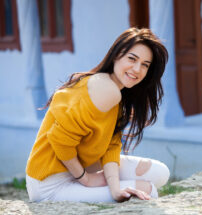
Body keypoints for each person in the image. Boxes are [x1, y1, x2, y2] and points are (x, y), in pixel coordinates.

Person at [25, 28, 170, 203]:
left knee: (161, 173)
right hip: (50, 183)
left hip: (81, 167)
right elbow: (59, 139)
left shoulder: (117, 94)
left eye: (145, 64)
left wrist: (115, 188)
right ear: (117, 55)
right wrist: (86, 179)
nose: (137, 69)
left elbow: (111, 145)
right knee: (149, 190)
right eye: (132, 59)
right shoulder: (106, 90)